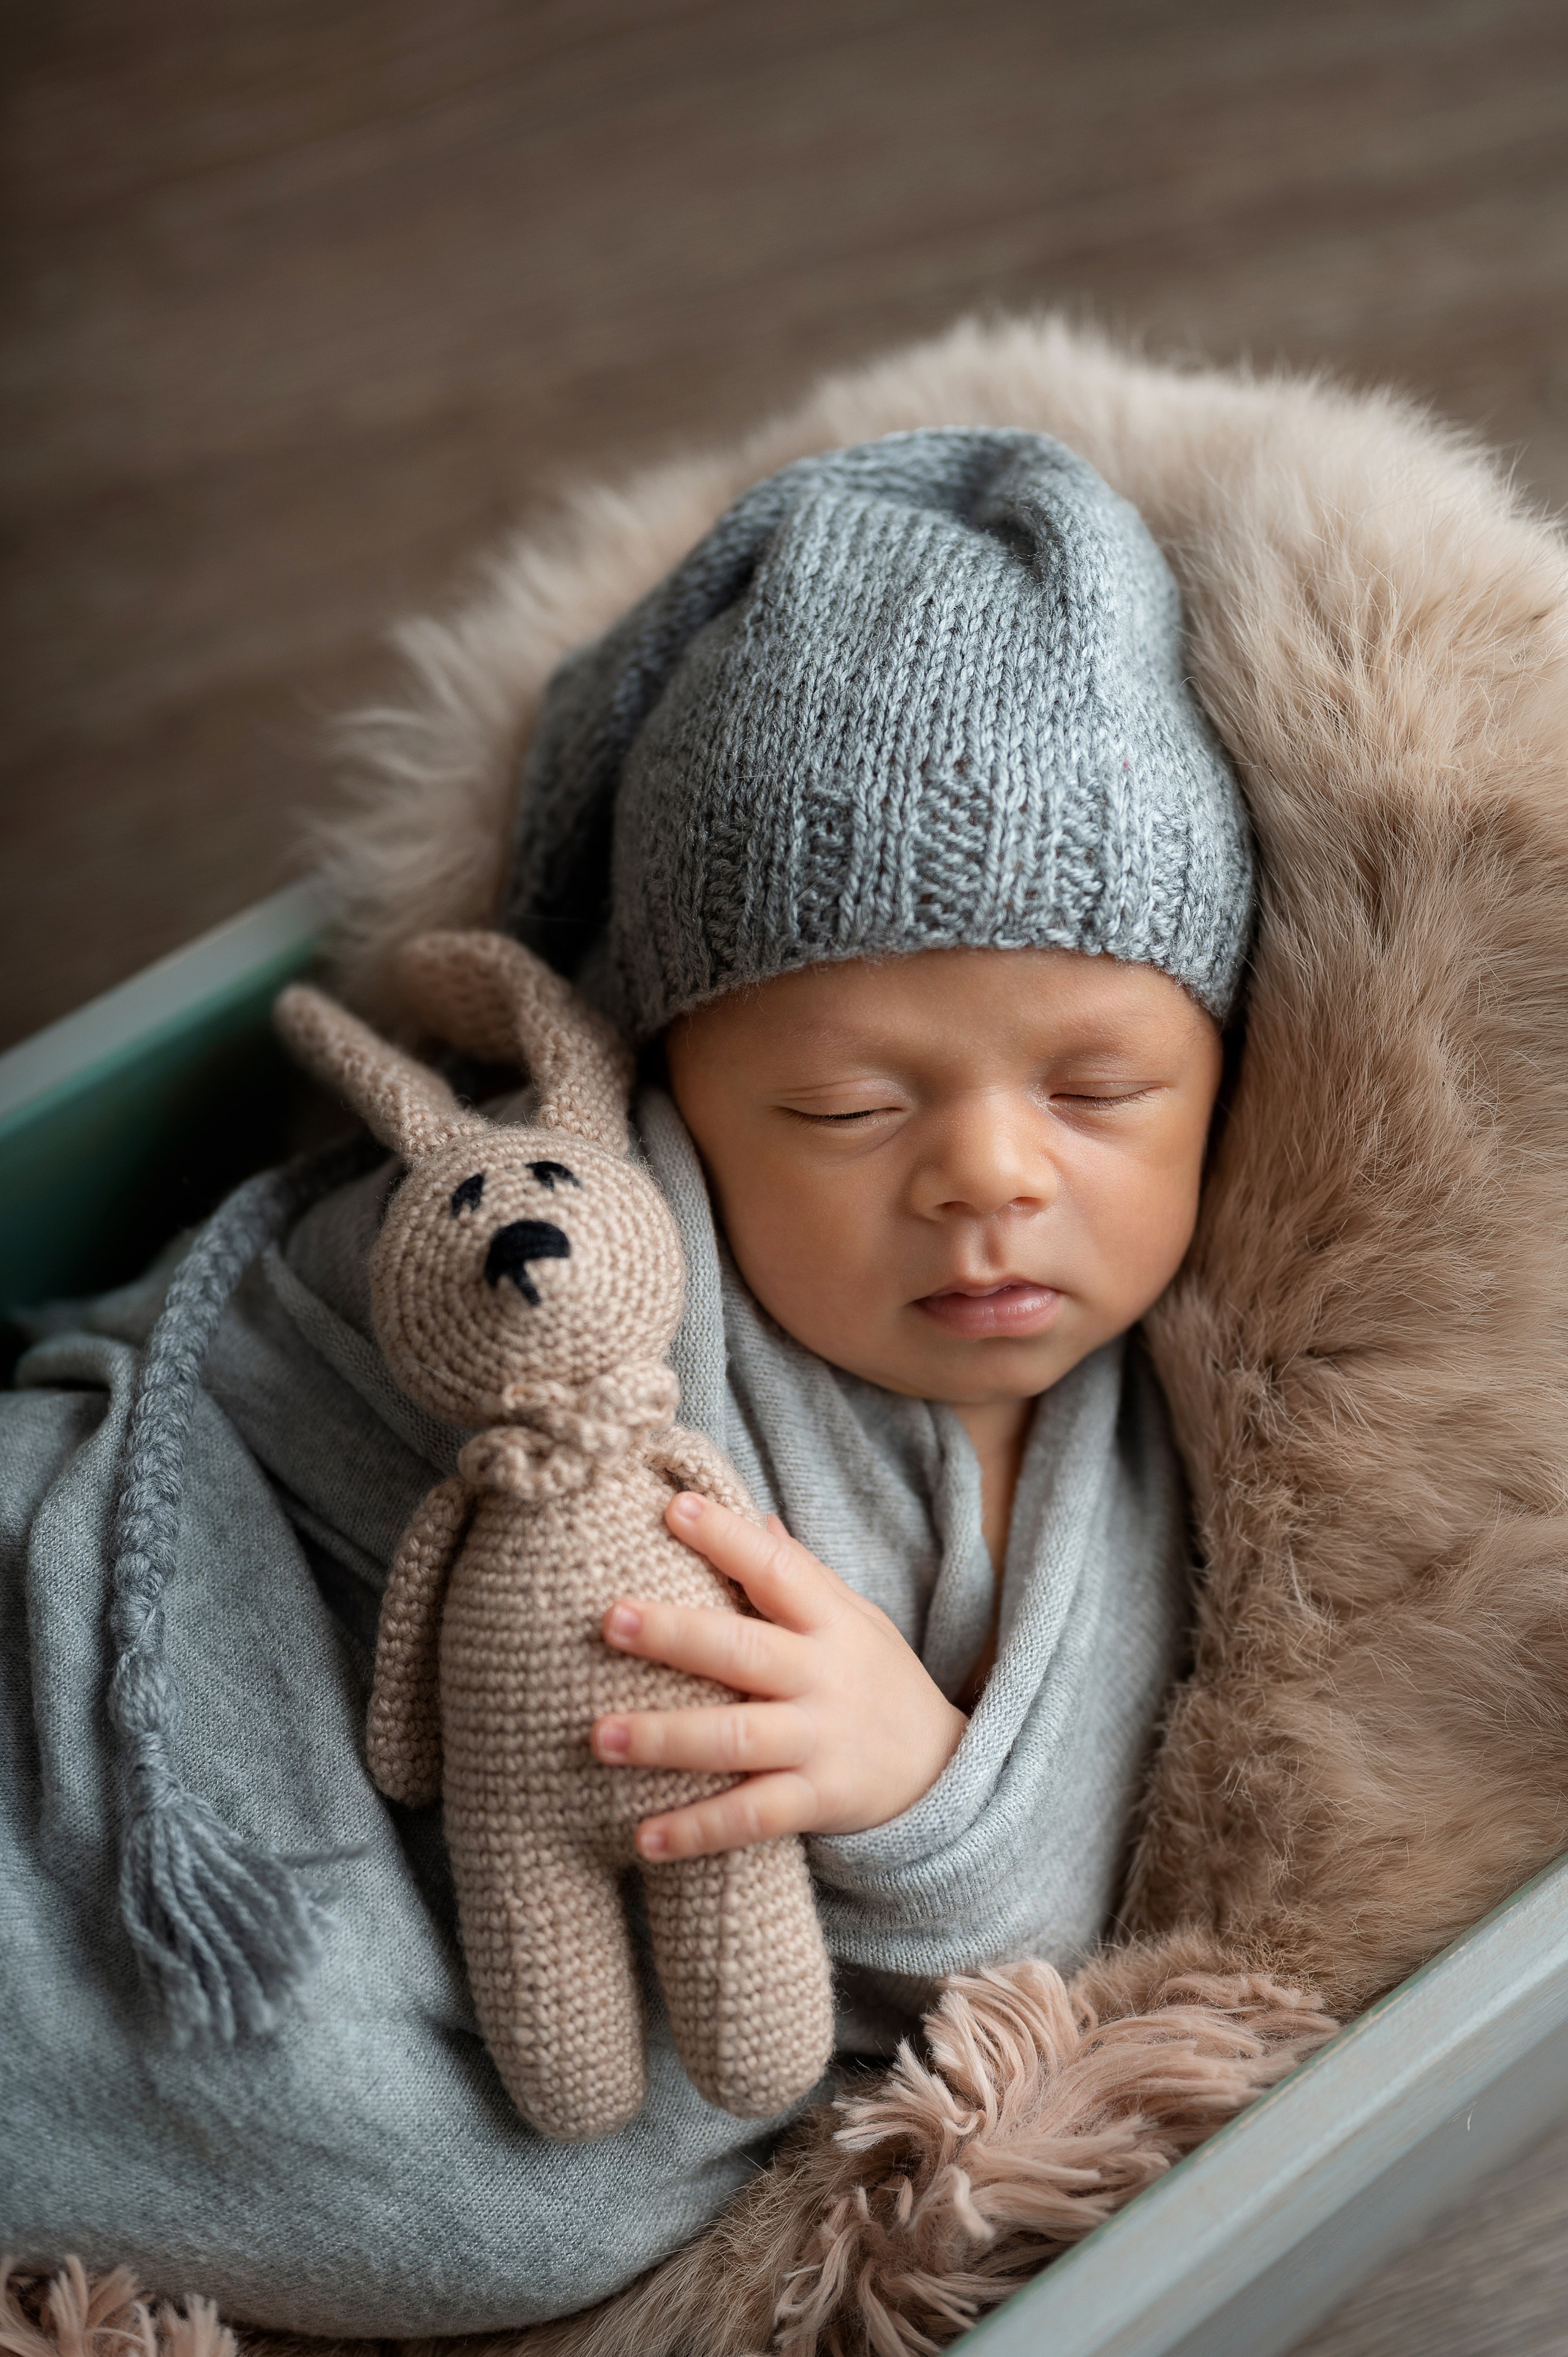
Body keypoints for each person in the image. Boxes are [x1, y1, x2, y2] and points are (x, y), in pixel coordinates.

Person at [0, 428, 1253, 2335]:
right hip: (166, 1692)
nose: (994, 1176)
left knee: (488, 2201)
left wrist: (912, 1781)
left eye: (1100, 1093)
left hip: (487, 1990)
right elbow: (242, 1346)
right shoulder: (563, 1220)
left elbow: (1066, 1896)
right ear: (666, 1083)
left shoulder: (1131, 1466)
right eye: (845, 1104)